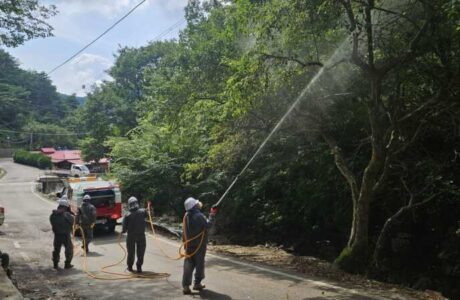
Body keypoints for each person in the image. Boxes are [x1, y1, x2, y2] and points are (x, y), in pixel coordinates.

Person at [182, 197, 218, 295]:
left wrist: (184, 243)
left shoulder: (186, 215)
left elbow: (183, 230)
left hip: (189, 246)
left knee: (188, 265)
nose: (198, 204)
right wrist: (212, 213)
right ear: (194, 206)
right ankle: (197, 283)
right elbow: (208, 225)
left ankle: (185, 286)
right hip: (199, 246)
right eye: (196, 204)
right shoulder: (199, 216)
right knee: (199, 265)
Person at [122, 196, 149, 273]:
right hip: (141, 235)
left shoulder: (127, 215)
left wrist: (123, 231)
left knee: (131, 252)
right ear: (137, 203)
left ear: (129, 204)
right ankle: (139, 266)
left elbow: (124, 229)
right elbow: (149, 214)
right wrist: (148, 208)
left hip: (131, 236)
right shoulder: (142, 211)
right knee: (141, 252)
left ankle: (130, 267)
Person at [49, 197, 74, 269]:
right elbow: (72, 222)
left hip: (57, 235)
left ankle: (55, 264)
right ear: (66, 207)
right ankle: (67, 264)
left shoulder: (53, 215)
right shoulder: (67, 215)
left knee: (56, 250)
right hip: (66, 235)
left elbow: (52, 223)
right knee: (69, 250)